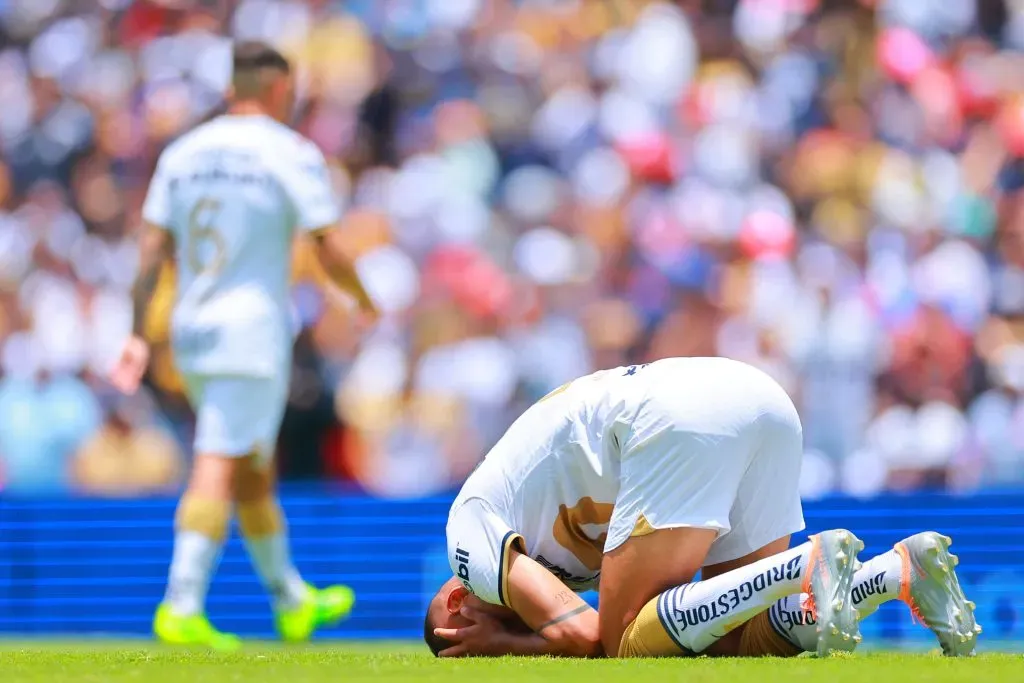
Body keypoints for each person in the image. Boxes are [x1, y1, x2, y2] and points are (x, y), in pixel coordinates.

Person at [423, 358, 980, 658]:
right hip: (756, 396)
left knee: (627, 644)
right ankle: (895, 572)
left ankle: (802, 567)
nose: (474, 649)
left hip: (676, 414)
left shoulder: (467, 538)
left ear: (454, 597)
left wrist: (502, 644)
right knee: (739, 636)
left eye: (461, 636)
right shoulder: (530, 539)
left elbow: (587, 636)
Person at [109, 41, 377, 650]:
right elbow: (327, 245)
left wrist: (133, 333)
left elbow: (151, 250)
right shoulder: (290, 152)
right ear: (282, 91)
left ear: (232, 89)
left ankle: (290, 598)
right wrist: (361, 298)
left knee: (251, 468)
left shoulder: (183, 152)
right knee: (218, 461)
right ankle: (180, 602)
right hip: (250, 331)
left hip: (190, 330)